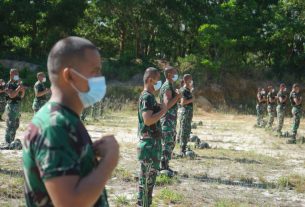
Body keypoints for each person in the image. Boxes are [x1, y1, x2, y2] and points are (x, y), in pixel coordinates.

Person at [22, 36, 119, 206]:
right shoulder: (55, 126)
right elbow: (70, 203)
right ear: (69, 76)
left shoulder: (64, 120)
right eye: (95, 71)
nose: (100, 78)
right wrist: (110, 160)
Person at [137, 67, 167, 207]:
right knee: (146, 185)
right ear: (150, 80)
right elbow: (147, 120)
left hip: (152, 145)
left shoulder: (149, 96)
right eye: (157, 81)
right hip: (149, 147)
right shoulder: (147, 97)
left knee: (148, 185)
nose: (159, 83)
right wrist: (163, 111)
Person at [159, 66, 181, 174]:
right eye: (174, 72)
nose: (176, 74)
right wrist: (177, 97)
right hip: (167, 120)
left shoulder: (170, 85)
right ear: (169, 75)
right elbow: (167, 104)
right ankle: (163, 168)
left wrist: (177, 96)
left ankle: (166, 165)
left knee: (170, 142)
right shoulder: (167, 86)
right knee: (166, 143)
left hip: (171, 120)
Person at [0, 69, 25, 150]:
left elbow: (21, 96)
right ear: (11, 74)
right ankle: (7, 142)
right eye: (15, 74)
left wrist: (22, 89)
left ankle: (11, 141)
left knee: (16, 125)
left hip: (17, 106)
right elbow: (11, 95)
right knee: (10, 125)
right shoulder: (9, 84)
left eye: (18, 73)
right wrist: (18, 88)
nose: (17, 75)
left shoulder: (16, 84)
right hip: (11, 107)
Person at [177, 74, 194, 156]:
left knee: (185, 130)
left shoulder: (186, 90)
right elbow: (183, 102)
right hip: (185, 113)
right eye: (190, 80)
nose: (192, 82)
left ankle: (184, 147)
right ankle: (182, 150)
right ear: (187, 80)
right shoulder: (184, 90)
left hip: (187, 113)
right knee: (184, 131)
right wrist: (192, 99)